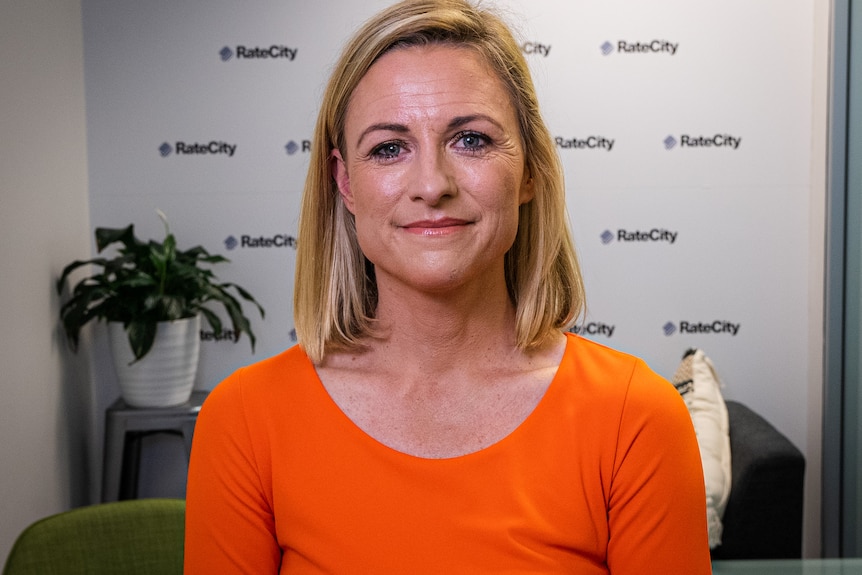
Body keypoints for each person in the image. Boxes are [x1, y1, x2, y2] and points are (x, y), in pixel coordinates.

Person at [184, 0, 712, 572]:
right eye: (389, 148)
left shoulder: (635, 419)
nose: (432, 184)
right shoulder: (244, 419)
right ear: (345, 183)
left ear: (530, 170)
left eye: (472, 141)